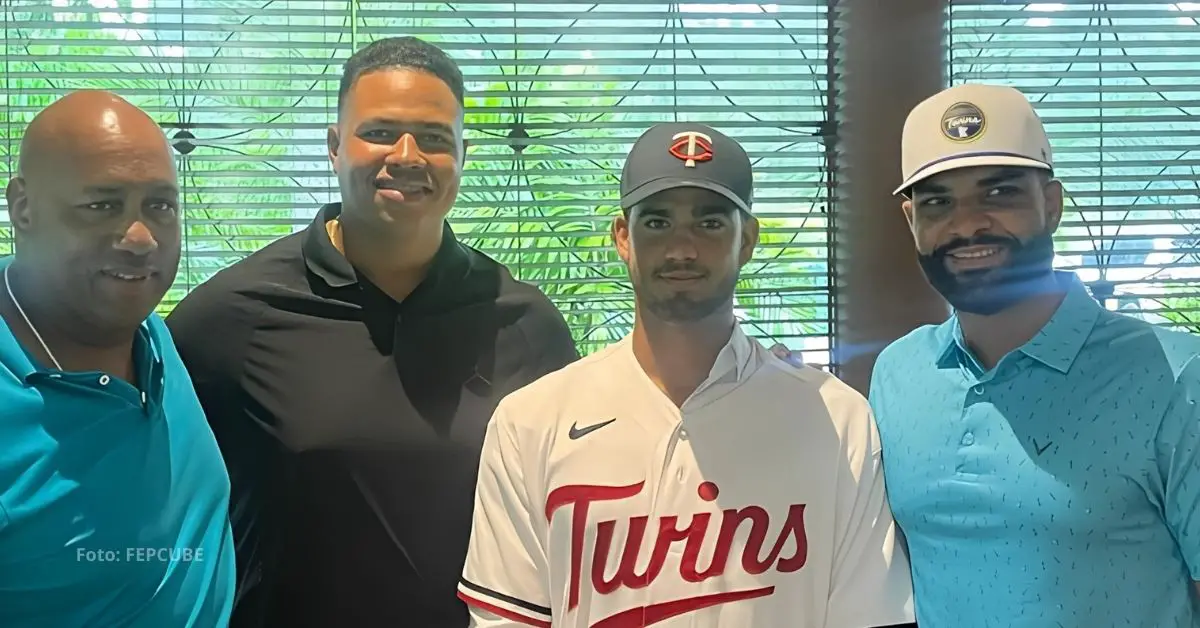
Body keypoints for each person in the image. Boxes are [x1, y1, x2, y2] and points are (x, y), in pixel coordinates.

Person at [165, 37, 579, 627]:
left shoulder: (525, 325)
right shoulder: (232, 318)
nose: (407, 155)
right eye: (380, 132)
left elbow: (563, 524)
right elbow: (163, 507)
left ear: (464, 154)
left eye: (435, 138)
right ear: (335, 147)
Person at [457, 123, 916, 628]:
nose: (682, 248)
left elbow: (867, 615)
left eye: (710, 223)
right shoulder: (531, 422)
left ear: (748, 240)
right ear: (622, 237)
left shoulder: (837, 421)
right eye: (656, 222)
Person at [866, 83, 1200, 627]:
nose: (968, 223)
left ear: (1051, 204)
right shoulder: (898, 373)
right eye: (938, 202)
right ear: (911, 221)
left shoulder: (1176, 376)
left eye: (999, 193)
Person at [0, 90, 235, 627]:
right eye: (102, 205)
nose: (139, 239)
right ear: (23, 208)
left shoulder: (150, 333)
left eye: (160, 206)